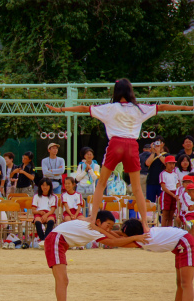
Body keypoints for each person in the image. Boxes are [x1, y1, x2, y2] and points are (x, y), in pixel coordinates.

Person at [46, 78, 194, 232]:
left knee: (101, 183)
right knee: (136, 188)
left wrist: (62, 110)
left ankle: (92, 217)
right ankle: (144, 223)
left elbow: (84, 108)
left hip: (115, 144)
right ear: (130, 91)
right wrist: (185, 107)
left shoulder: (109, 108)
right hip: (131, 145)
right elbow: (162, 107)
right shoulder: (139, 109)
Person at [43, 211, 149, 301]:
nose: (109, 229)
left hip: (58, 241)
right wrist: (137, 238)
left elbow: (112, 235)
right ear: (98, 222)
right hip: (56, 240)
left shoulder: (95, 227)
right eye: (107, 225)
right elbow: (114, 242)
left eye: (111, 227)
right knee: (62, 280)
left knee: (64, 281)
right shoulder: (92, 229)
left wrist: (128, 236)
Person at [120, 219, 194, 301]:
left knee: (186, 283)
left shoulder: (143, 239)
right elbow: (118, 237)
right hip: (180, 243)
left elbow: (115, 242)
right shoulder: (145, 233)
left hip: (185, 243)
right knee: (180, 283)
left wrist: (99, 232)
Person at [33, 178, 57, 244]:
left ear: (50, 186)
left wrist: (46, 215)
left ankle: (44, 240)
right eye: (43, 185)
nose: (45, 187)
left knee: (51, 221)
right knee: (37, 222)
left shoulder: (53, 197)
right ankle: (43, 239)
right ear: (40, 186)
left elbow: (52, 210)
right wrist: (39, 212)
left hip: (49, 213)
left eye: (47, 185)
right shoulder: (36, 196)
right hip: (39, 213)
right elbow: (33, 210)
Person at [145, 136, 168, 204]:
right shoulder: (150, 155)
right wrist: (153, 152)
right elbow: (147, 163)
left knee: (162, 202)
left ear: (163, 144)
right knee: (150, 202)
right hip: (151, 182)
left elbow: (166, 163)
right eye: (156, 142)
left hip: (162, 183)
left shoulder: (166, 154)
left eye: (159, 142)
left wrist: (158, 153)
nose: (158, 144)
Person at [159, 156, 179, 227]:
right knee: (165, 215)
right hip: (166, 194)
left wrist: (176, 194)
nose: (172, 165)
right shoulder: (163, 174)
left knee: (171, 215)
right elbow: (163, 187)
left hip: (174, 193)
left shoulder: (175, 174)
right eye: (170, 163)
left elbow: (177, 184)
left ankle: (170, 230)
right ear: (165, 164)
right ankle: (163, 230)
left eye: (173, 164)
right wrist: (173, 195)